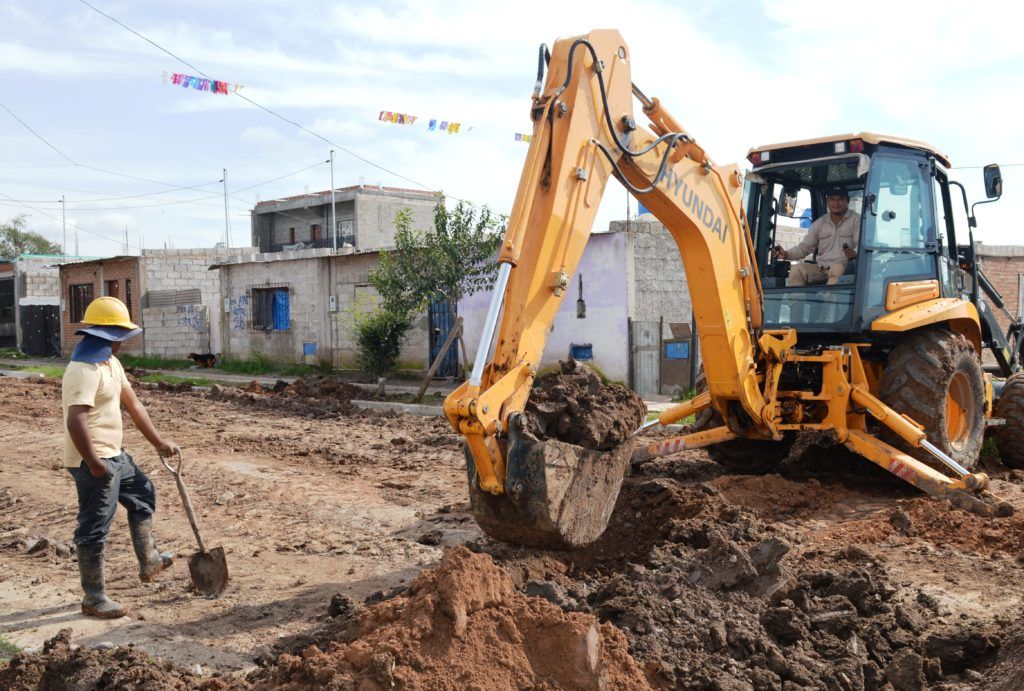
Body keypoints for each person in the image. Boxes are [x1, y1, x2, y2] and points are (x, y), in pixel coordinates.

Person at [62, 296, 179, 618]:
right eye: (119, 339)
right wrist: (96, 463)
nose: (122, 345)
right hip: (93, 461)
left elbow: (134, 404)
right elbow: (76, 419)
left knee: (143, 494)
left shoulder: (109, 364)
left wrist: (158, 442)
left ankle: (150, 560)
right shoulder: (83, 370)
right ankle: (94, 598)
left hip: (115, 456)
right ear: (106, 337)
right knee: (94, 527)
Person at [772, 187, 860, 286]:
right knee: (797, 269)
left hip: (844, 267)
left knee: (837, 269)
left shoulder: (856, 220)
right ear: (827, 201)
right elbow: (804, 248)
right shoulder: (819, 223)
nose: (836, 203)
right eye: (832, 199)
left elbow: (860, 246)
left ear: (847, 200)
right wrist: (786, 254)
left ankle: (829, 300)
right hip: (821, 268)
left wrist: (854, 253)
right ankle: (796, 301)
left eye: (840, 199)